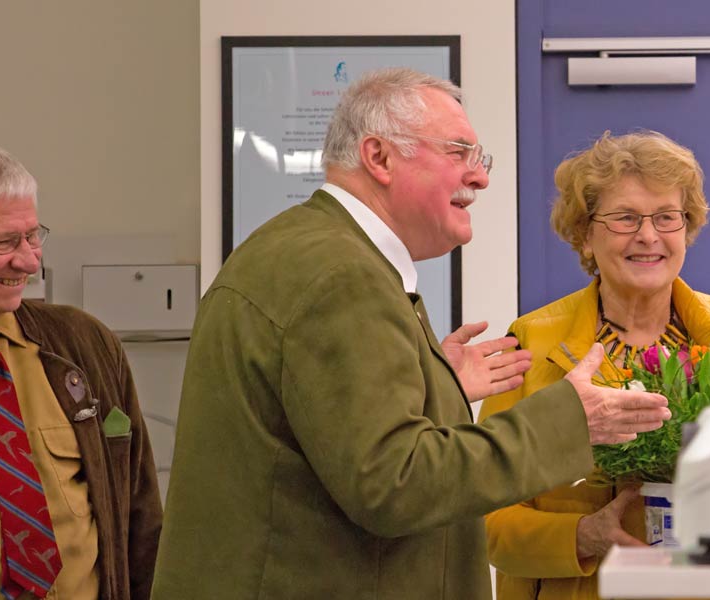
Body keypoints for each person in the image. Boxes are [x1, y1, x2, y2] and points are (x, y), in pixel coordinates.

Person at [152, 69, 670, 599]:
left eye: (480, 158)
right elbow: (394, 483)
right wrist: (571, 420)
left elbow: (344, 442)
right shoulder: (341, 277)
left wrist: (437, 385)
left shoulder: (307, 251)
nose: (480, 178)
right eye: (459, 152)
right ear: (379, 158)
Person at [479, 131, 710, 600]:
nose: (649, 236)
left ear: (687, 229)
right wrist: (582, 536)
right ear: (585, 235)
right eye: (625, 218)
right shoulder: (531, 342)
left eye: (666, 217)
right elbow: (484, 517)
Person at [0, 143, 162, 599]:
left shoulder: (86, 344)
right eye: (3, 242)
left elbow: (143, 524)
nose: (28, 261)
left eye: (33, 236)